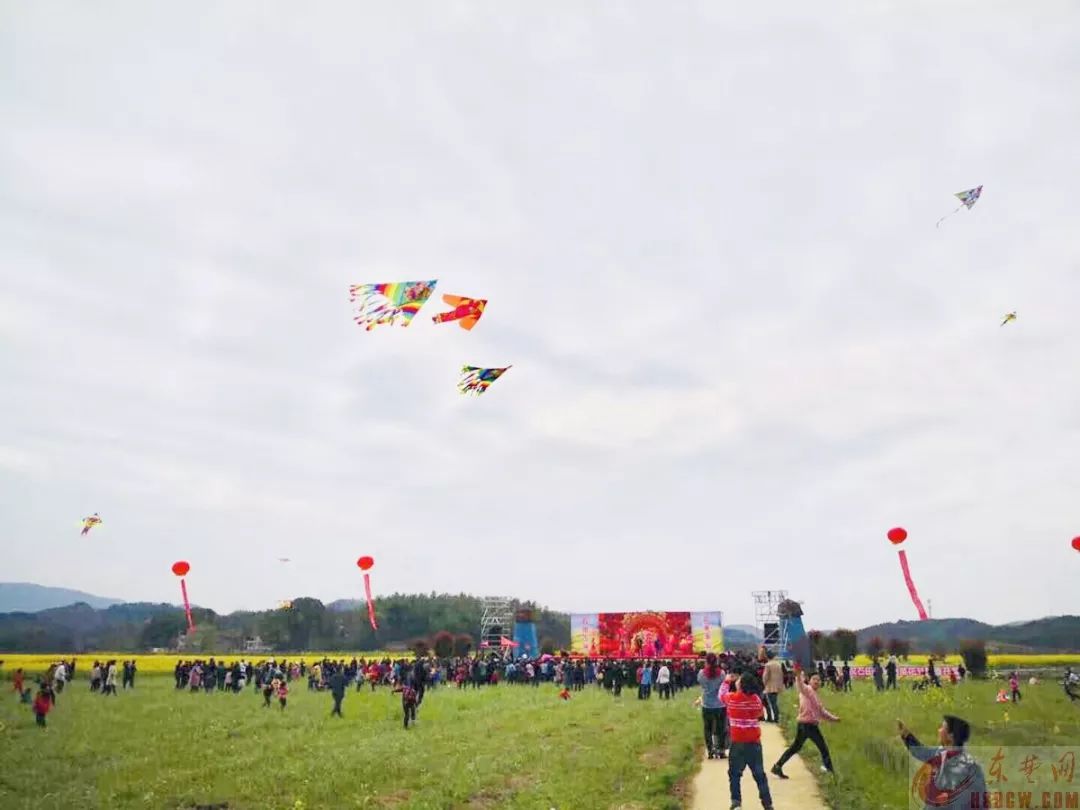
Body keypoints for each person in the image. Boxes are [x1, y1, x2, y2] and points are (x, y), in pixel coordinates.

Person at [898, 715, 986, 810]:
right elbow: (921, 752)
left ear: (950, 736)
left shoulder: (968, 769)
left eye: (942, 728)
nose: (939, 730)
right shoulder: (941, 753)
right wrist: (907, 735)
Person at [772, 667, 839, 778]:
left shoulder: (815, 696)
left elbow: (822, 712)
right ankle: (830, 771)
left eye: (818, 680)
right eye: (814, 679)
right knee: (823, 748)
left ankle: (778, 766)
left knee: (795, 747)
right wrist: (798, 675)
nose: (817, 681)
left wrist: (834, 719)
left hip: (805, 725)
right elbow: (800, 684)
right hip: (808, 725)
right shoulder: (807, 690)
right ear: (809, 680)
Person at [722, 672, 773, 810]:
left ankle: (736, 802)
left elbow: (721, 695)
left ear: (741, 685)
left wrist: (727, 682)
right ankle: (767, 804)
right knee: (759, 774)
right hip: (754, 743)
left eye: (738, 681)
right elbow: (760, 713)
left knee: (734, 774)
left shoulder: (732, 698)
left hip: (737, 743)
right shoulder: (756, 699)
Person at [697, 653, 727, 759]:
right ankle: (721, 750)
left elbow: (701, 684)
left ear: (706, 661)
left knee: (707, 729)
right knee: (720, 728)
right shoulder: (722, 674)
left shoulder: (701, 674)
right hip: (720, 704)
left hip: (707, 704)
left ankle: (710, 750)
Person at [762, 653, 784, 723]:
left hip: (770, 686)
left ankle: (774, 717)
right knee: (775, 702)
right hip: (778, 685)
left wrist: (764, 684)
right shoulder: (778, 664)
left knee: (771, 703)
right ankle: (777, 717)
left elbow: (765, 677)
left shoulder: (768, 665)